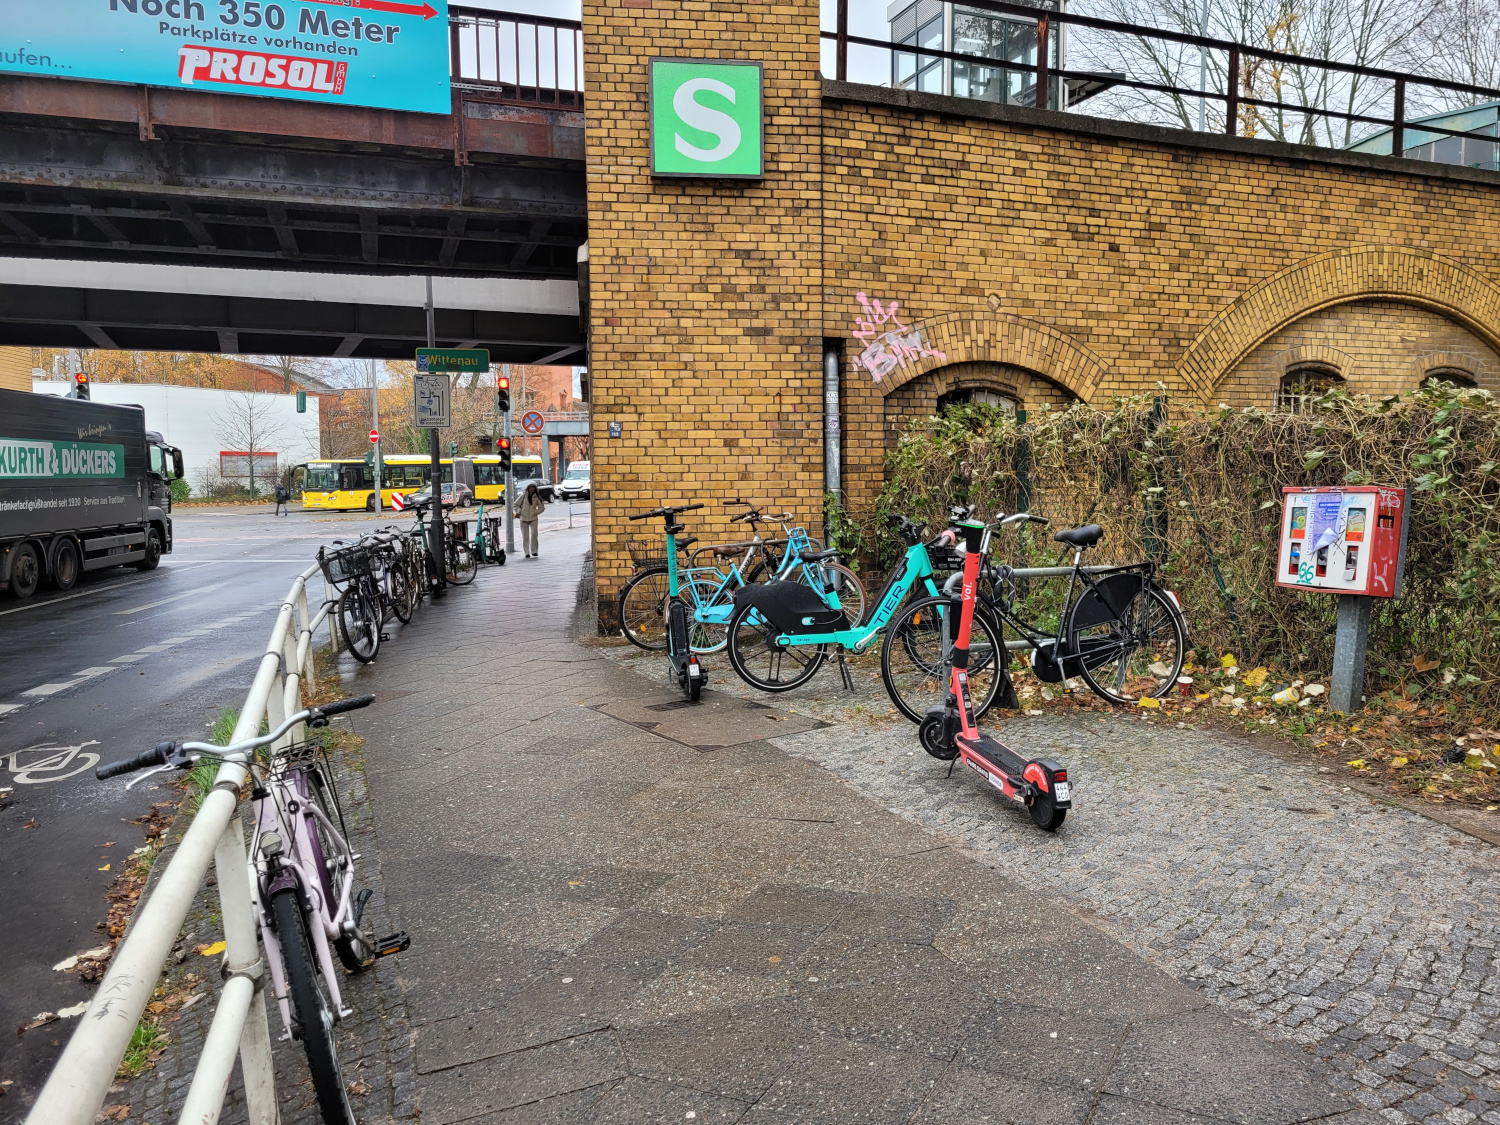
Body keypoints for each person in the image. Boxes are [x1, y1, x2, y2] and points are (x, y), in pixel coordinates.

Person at [514, 482, 546, 558]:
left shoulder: (537, 497)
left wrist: (535, 512)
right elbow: (515, 505)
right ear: (528, 488)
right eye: (530, 487)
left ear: (535, 488)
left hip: (533, 518)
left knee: (534, 534)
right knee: (525, 536)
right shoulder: (523, 496)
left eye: (533, 487)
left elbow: (542, 508)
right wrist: (519, 511)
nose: (532, 488)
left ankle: (534, 551)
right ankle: (526, 552)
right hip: (523, 518)